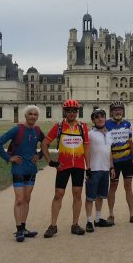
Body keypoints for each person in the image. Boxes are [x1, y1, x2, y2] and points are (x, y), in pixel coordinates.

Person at [0, 105, 44, 242]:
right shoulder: (17, 129)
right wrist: (9, 158)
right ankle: (19, 230)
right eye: (30, 114)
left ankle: (23, 227)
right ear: (25, 116)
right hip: (18, 169)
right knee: (20, 199)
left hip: (31, 169)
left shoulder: (38, 131)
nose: (33, 116)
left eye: (35, 114)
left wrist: (39, 156)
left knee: (27, 199)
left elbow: (45, 144)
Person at [41, 99, 90, 237]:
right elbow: (45, 144)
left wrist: (89, 166)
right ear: (65, 112)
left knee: (77, 194)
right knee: (58, 194)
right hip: (64, 165)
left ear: (77, 112)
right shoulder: (59, 127)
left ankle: (75, 224)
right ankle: (53, 225)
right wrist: (50, 162)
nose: (72, 113)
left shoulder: (83, 127)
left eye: (74, 110)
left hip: (79, 166)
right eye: (69, 111)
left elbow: (86, 147)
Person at [105, 101, 133, 225]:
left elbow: (131, 142)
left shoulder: (127, 124)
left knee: (128, 187)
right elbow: (106, 146)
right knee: (113, 187)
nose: (118, 112)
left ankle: (132, 214)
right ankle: (111, 214)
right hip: (115, 162)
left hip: (127, 160)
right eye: (115, 110)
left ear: (123, 111)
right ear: (111, 112)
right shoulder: (106, 124)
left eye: (120, 110)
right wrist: (110, 165)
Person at [85, 108, 116, 233]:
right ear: (93, 120)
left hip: (105, 169)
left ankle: (97, 219)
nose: (100, 119)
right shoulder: (89, 134)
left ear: (105, 118)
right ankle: (88, 221)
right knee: (90, 197)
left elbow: (109, 152)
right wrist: (87, 167)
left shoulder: (109, 134)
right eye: (97, 117)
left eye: (102, 116)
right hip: (94, 169)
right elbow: (86, 151)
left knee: (100, 196)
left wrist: (112, 166)